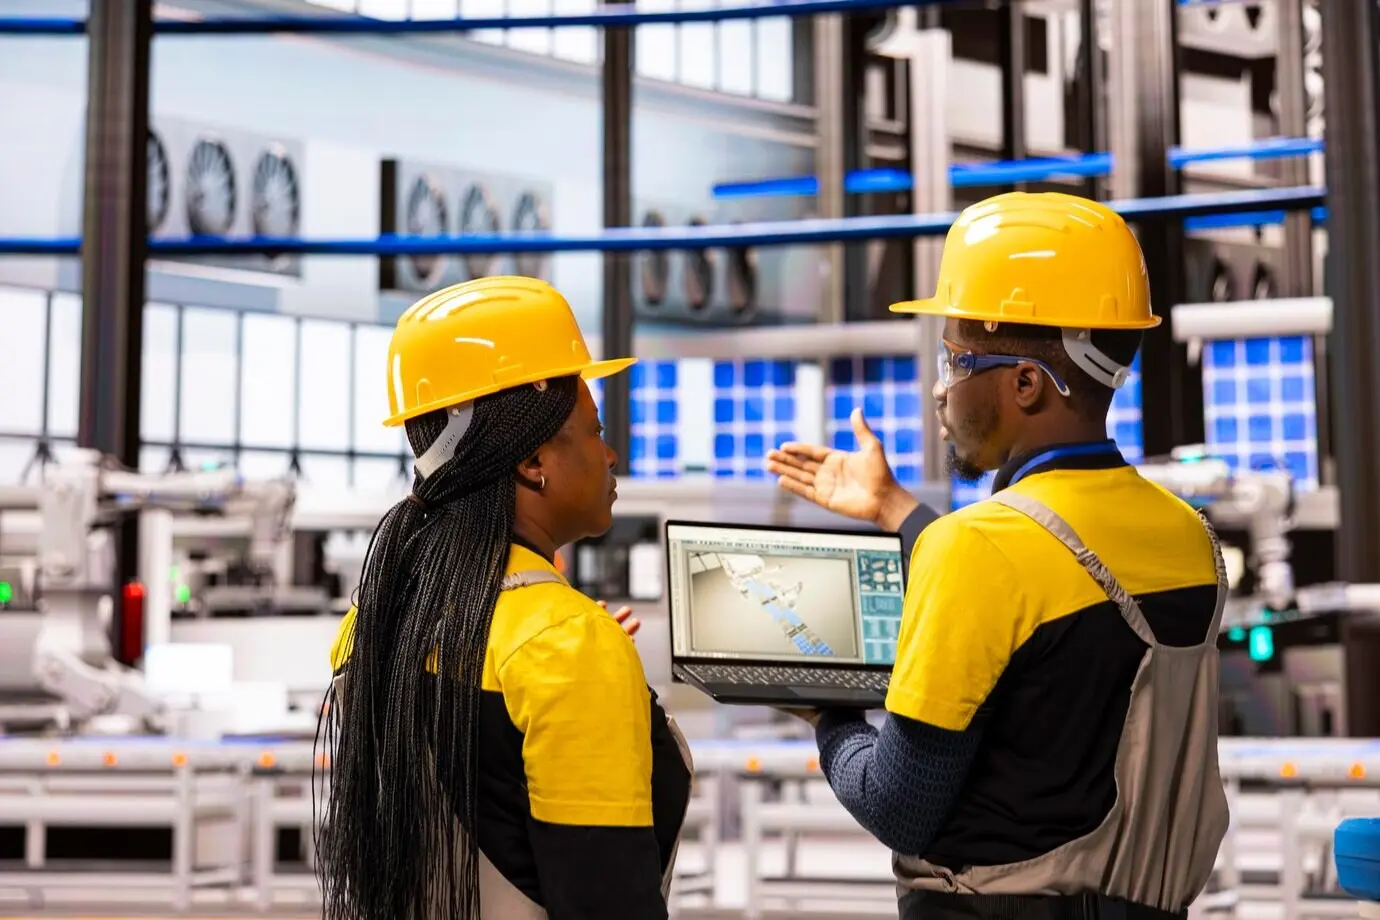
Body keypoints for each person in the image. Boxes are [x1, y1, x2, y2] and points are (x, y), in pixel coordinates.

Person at [767, 191, 1229, 920]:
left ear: (1024, 382)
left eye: (955, 359)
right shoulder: (1189, 535)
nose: (939, 389)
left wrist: (828, 716)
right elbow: (1045, 587)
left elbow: (900, 806)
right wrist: (893, 507)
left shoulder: (977, 548)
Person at [318, 276, 692, 920]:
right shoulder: (563, 644)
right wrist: (582, 661)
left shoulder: (377, 615)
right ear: (533, 461)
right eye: (594, 430)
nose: (611, 455)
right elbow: (606, 901)